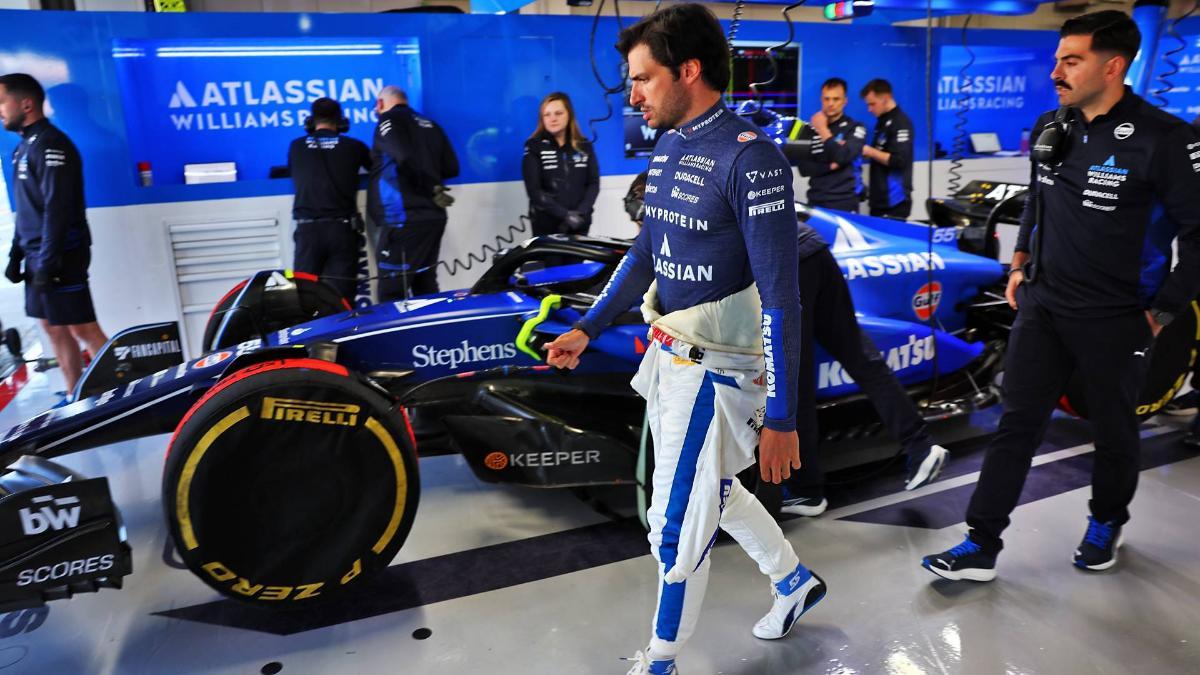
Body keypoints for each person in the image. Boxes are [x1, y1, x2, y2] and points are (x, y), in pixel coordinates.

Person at [543, 7, 826, 673]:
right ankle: (792, 582)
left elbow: (783, 297)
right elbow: (645, 253)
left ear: (688, 71)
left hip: (719, 371)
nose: (631, 94)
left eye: (641, 79)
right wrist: (589, 325)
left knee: (671, 524)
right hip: (670, 356)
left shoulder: (752, 160)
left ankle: (663, 658)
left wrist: (783, 418)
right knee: (712, 488)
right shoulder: (669, 143)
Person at [922, 10, 1200, 582]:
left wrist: (1163, 311)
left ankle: (1106, 520)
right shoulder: (1057, 124)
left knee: (1114, 428)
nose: (1056, 71)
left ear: (1113, 65)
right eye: (1057, 59)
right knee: (1015, 423)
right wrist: (1021, 260)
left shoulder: (1165, 140)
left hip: (1117, 315)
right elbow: (1040, 198)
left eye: (1071, 60)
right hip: (1044, 304)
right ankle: (980, 542)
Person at [782, 227, 950, 516]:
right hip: (812, 245)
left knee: (792, 377)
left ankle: (806, 490)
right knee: (857, 353)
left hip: (783, 262)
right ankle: (920, 445)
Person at [0, 73, 107, 399]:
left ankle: (124, 393)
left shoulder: (51, 145)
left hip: (61, 254)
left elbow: (56, 211)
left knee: (82, 327)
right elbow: (28, 209)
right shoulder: (23, 148)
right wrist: (17, 254)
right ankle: (77, 395)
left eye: (2, 102)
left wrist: (47, 263)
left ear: (26, 103)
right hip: (37, 255)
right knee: (52, 326)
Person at [367, 85, 459, 300]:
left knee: (392, 290)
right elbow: (451, 167)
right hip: (433, 216)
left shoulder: (387, 120)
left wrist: (425, 185)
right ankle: (435, 333)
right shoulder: (431, 124)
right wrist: (433, 185)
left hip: (403, 219)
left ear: (380, 104)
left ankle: (391, 335)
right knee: (425, 284)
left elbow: (404, 157)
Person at [287, 97, 371, 301]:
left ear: (310, 121)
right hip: (342, 230)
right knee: (342, 299)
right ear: (341, 121)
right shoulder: (354, 147)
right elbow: (376, 170)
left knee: (303, 295)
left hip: (307, 232)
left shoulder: (296, 146)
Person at [522, 92, 600, 237]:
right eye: (547, 115)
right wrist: (565, 215)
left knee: (577, 260)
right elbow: (534, 191)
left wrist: (581, 213)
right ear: (542, 119)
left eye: (558, 113)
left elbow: (593, 183)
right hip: (547, 226)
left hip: (580, 224)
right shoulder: (533, 146)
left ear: (568, 114)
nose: (553, 118)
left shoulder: (584, 145)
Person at [789, 78, 868, 213]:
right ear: (821, 100)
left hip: (845, 201)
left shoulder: (856, 127)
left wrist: (823, 130)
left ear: (845, 101)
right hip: (815, 200)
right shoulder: (804, 128)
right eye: (827, 99)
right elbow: (803, 169)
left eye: (836, 99)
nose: (831, 104)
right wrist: (831, 165)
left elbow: (843, 157)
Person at [860, 79, 915, 219]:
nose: (869, 109)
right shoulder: (882, 121)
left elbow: (899, 160)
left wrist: (870, 151)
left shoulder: (901, 123)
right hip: (879, 199)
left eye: (872, 104)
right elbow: (882, 152)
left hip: (894, 201)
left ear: (886, 98)